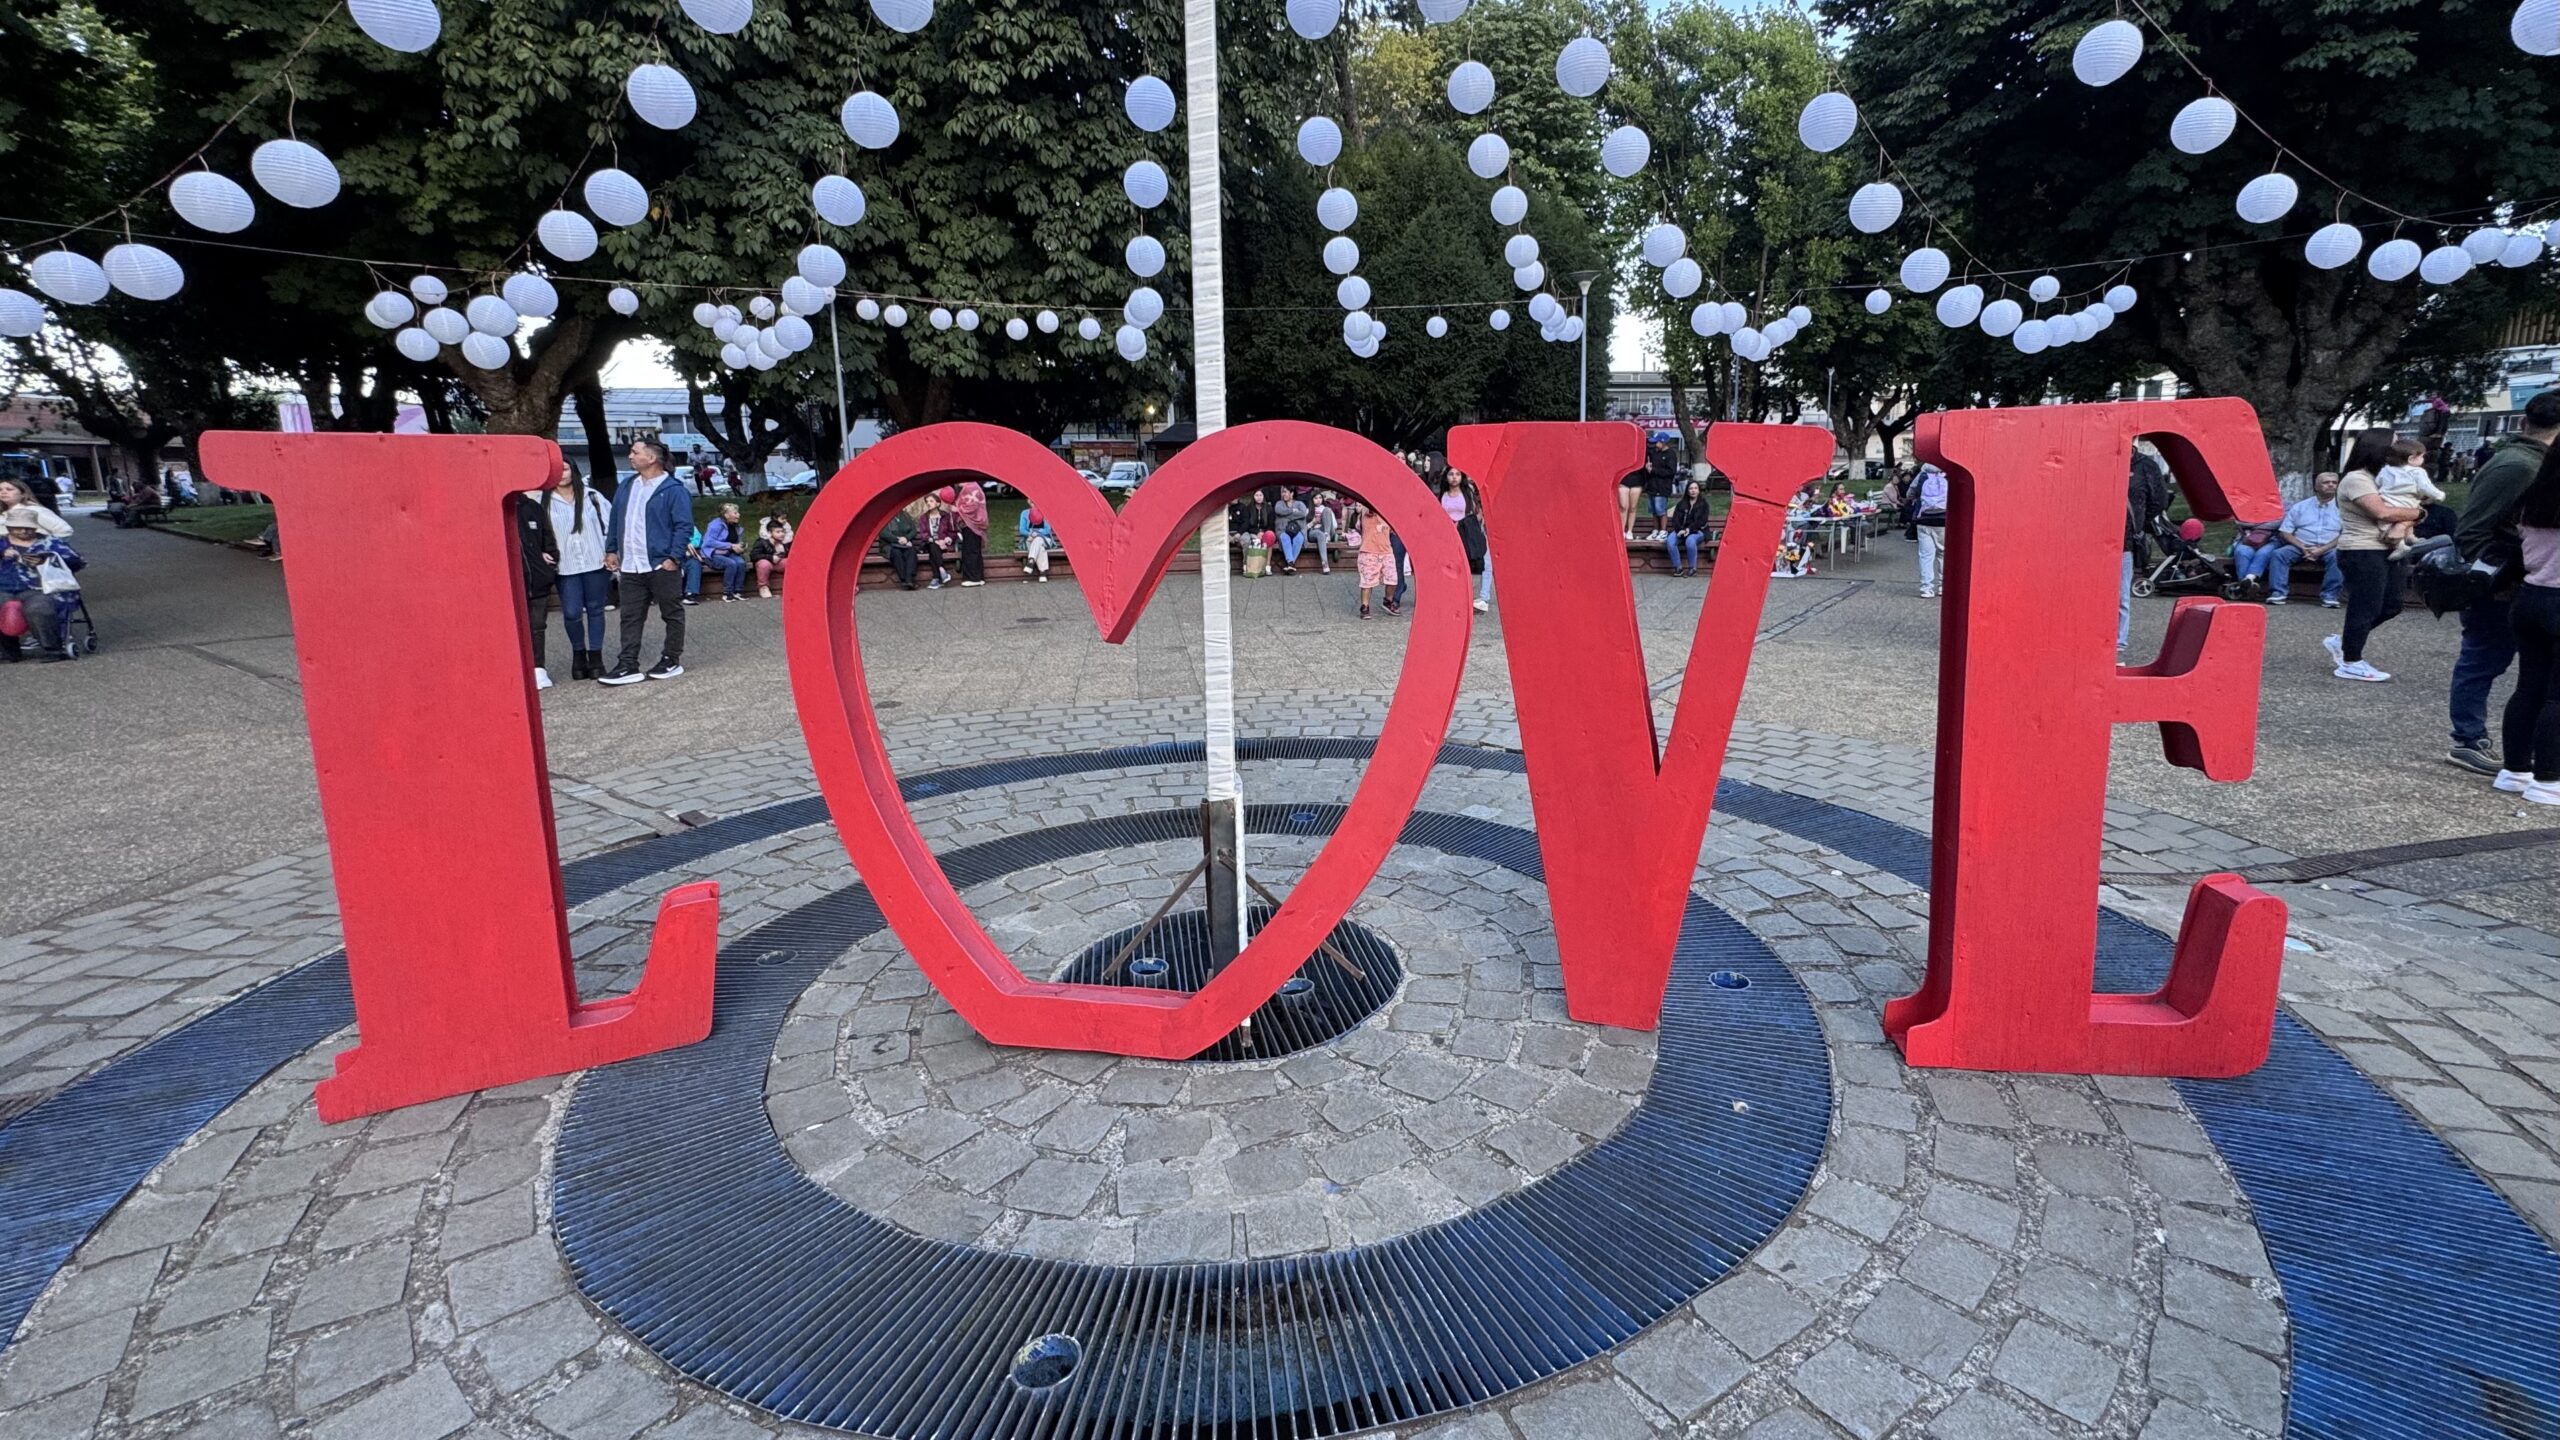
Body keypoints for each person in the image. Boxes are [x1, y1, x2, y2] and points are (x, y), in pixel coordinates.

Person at [2446, 393, 2560, 774]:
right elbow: (2473, 529)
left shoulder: (2535, 463)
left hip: (2522, 581)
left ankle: (2518, 752)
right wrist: (2495, 580)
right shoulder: (2519, 465)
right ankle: (2467, 738)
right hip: (2504, 582)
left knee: (2524, 674)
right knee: (2485, 658)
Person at [2326, 432, 2424, 683]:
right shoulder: (2356, 479)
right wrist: (2417, 512)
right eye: (2396, 442)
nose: (2402, 446)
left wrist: (2411, 516)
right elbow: (2383, 512)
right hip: (2362, 550)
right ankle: (2351, 662)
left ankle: (2345, 642)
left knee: (2391, 605)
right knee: (2365, 606)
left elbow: (2409, 503)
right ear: (2379, 447)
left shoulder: (2385, 477)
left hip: (2388, 550)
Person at [2493, 444, 2560, 804]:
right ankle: (2549, 778)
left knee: (2529, 686)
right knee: (2557, 696)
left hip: (2531, 596)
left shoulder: (2533, 498)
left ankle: (2515, 771)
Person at [599, 437, 691, 685]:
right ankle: (628, 664)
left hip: (660, 564)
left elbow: (683, 526)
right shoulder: (627, 486)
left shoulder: (673, 490)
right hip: (631, 565)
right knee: (629, 616)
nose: (630, 456)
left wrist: (673, 558)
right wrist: (611, 549)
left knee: (671, 612)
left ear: (651, 458)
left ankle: (671, 658)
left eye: (634, 452)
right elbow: (616, 521)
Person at [2230, 472, 2343, 607]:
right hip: (2299, 545)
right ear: (2316, 486)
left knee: (2339, 556)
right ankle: (2278, 593)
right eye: (2326, 482)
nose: (2331, 485)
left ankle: (2330, 596)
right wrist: (2303, 547)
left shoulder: (2344, 509)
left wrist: (2321, 550)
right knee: (2279, 554)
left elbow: (2346, 534)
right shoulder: (2301, 507)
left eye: (2334, 482)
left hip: (2329, 547)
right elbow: (2285, 531)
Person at [548, 461, 612, 680]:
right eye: (556, 469)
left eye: (565, 468)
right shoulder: (544, 499)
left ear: (573, 470)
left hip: (595, 560)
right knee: (572, 612)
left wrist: (612, 551)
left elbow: (609, 524)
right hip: (565, 565)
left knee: (595, 609)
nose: (561, 473)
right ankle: (578, 653)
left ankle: (596, 656)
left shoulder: (592, 496)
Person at [0, 506, 82, 661]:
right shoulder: (1, 543)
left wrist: (48, 559)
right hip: (3, 586)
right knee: (2, 605)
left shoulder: (50, 542)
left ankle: (53, 649)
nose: (24, 531)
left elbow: (77, 562)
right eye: (18, 528)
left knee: (38, 608)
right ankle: (8, 650)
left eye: (28, 528)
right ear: (9, 527)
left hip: (40, 587)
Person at [2124, 441, 2173, 649]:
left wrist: (2140, 522)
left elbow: (2159, 500)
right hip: (2098, 537)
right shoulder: (2099, 460)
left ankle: (2118, 641)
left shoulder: (2145, 465)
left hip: (2125, 539)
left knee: (2121, 595)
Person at [514, 479, 561, 690]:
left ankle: (538, 667)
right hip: (510, 581)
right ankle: (516, 669)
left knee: (537, 625)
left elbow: (547, 538)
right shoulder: (492, 508)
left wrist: (549, 559)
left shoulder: (532, 507)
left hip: (537, 578)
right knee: (513, 628)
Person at [2373, 437, 2447, 555]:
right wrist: (2439, 495)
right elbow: (2426, 487)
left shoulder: (2385, 470)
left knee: (2390, 524)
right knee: (2409, 517)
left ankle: (2406, 540)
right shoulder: (2417, 471)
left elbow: (2377, 483)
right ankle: (2402, 544)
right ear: (2411, 459)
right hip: (2408, 502)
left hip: (2387, 502)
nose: (2423, 459)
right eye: (2422, 456)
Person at [1354, 503, 1398, 620]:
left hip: (1386, 551)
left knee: (1392, 578)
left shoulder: (1389, 512)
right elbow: (1370, 505)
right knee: (1367, 581)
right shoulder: (1367, 509)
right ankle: (1365, 606)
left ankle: (1388, 600)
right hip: (1369, 551)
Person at [1913, 462, 1950, 598]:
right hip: (1942, 521)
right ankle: (1942, 586)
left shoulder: (1922, 475)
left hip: (1923, 520)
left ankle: (1926, 588)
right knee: (1943, 554)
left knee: (1926, 556)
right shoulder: (1948, 474)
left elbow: (1911, 492)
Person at [698, 503, 749, 602]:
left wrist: (741, 546)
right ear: (726, 515)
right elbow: (709, 541)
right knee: (731, 564)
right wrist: (730, 545)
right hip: (712, 553)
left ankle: (738, 591)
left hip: (729, 553)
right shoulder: (716, 524)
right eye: (735, 513)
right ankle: (727, 592)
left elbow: (736, 541)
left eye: (738, 512)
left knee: (741, 563)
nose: (738, 515)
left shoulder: (736, 526)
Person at [1664, 480, 1713, 577]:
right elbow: (1675, 519)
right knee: (1670, 540)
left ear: (1699, 490)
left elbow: (1701, 521)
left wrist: (1689, 530)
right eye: (1691, 488)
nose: (1693, 490)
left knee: (1690, 541)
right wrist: (1679, 530)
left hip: (1698, 531)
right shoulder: (1681, 504)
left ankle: (1692, 568)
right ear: (1687, 490)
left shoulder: (1704, 504)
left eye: (1695, 488)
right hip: (1681, 530)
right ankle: (1678, 568)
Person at [0, 479, 70, 538]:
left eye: (9, 489)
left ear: (23, 494)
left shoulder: (35, 510)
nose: (3, 492)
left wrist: (44, 546)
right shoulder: (3, 512)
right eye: (0, 490)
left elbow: (64, 530)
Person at [920, 489, 960, 589]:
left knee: (933, 553)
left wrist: (947, 539)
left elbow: (952, 532)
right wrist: (936, 541)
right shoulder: (924, 518)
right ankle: (942, 570)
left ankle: (936, 579)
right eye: (927, 502)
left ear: (938, 504)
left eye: (931, 501)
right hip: (929, 543)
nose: (928, 503)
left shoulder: (946, 516)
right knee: (933, 546)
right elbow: (923, 534)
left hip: (944, 545)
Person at [952, 481, 990, 587]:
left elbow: (971, 507)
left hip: (971, 524)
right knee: (975, 551)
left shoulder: (970, 488)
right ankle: (979, 576)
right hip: (976, 524)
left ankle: (972, 578)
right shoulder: (974, 486)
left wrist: (957, 509)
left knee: (969, 551)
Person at [881, 502, 923, 589]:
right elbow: (883, 533)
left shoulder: (905, 515)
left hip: (905, 544)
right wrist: (898, 540)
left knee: (911, 552)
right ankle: (906, 580)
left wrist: (907, 538)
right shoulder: (884, 516)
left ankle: (907, 580)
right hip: (890, 545)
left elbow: (913, 530)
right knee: (896, 553)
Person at [1272, 490, 1311, 575]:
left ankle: (1290, 564)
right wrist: (1293, 511)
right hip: (1282, 529)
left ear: (1292, 493)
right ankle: (1291, 563)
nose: (1283, 494)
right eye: (1283, 492)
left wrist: (1286, 515)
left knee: (1300, 538)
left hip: (1298, 529)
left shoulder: (1300, 504)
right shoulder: (1279, 503)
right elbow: (1278, 510)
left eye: (1285, 492)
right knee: (1284, 537)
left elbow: (1303, 513)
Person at [752, 514, 792, 597]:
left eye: (782, 532)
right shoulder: (762, 542)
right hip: (767, 563)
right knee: (764, 564)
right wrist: (770, 557)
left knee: (791, 562)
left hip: (779, 563)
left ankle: (792, 585)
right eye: (778, 532)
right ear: (770, 533)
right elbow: (754, 555)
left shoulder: (785, 542)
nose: (781, 534)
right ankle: (763, 587)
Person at [1018, 507, 1057, 582]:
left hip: (1045, 540)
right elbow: (1022, 530)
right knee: (1041, 548)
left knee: (1038, 539)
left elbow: (1047, 530)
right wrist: (1031, 534)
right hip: (1030, 540)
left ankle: (1031, 561)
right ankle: (1043, 574)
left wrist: (1037, 534)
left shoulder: (1045, 511)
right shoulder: (1024, 513)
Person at [1308, 491, 1341, 574]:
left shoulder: (1327, 509)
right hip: (1314, 532)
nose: (1318, 500)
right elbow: (1305, 528)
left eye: (1320, 498)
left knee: (1326, 510)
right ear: (1312, 500)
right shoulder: (1308, 510)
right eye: (1316, 498)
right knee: (1320, 534)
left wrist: (1325, 521)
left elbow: (1335, 525)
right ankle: (1325, 564)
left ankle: (1326, 535)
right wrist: (1313, 522)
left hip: (1327, 531)